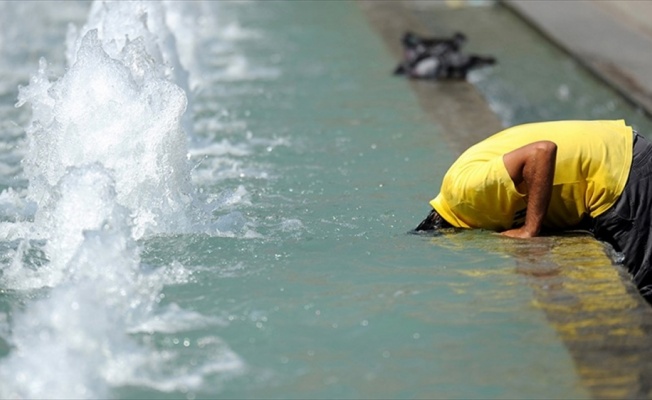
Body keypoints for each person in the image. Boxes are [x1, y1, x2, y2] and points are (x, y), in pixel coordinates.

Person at [415, 119, 652, 303]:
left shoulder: (463, 194)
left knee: (640, 289)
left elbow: (541, 152)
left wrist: (530, 229)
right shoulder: (463, 197)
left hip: (619, 170)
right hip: (614, 152)